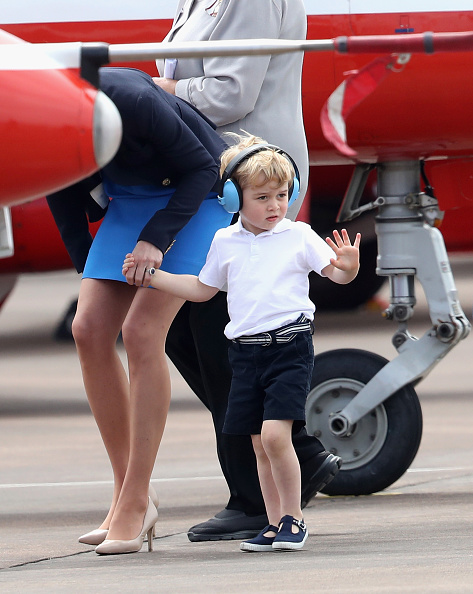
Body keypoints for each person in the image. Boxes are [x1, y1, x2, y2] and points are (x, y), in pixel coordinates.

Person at [153, 0, 342, 541]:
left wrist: (162, 92)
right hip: (212, 178)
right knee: (190, 332)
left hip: (249, 184)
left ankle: (257, 499)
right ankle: (293, 452)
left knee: (214, 334)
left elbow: (229, 94)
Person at [123, 135, 361, 551]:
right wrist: (154, 278)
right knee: (257, 444)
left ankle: (294, 520)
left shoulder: (299, 235)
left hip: (289, 347)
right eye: (262, 197)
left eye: (282, 195)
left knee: (274, 437)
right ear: (233, 198)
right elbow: (202, 289)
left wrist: (350, 268)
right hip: (246, 353)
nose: (275, 206)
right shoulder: (224, 241)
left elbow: (336, 275)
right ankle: (273, 522)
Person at [46, 66, 233, 555]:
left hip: (193, 199)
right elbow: (59, 189)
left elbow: (204, 168)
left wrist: (156, 238)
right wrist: (85, 267)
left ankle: (133, 500)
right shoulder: (39, 115)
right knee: (88, 329)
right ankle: (129, 492)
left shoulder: (131, 99)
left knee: (141, 332)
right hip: (127, 202)